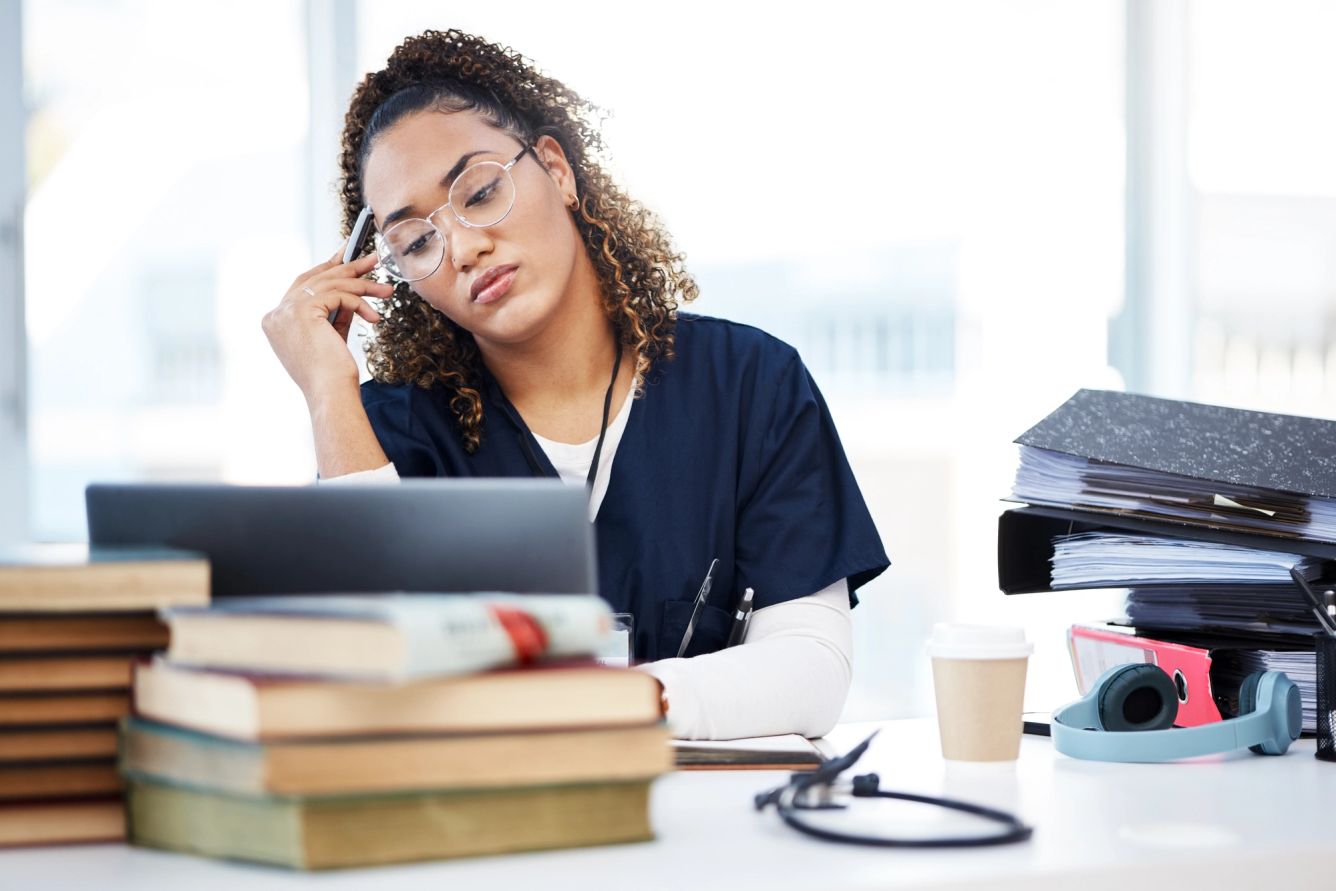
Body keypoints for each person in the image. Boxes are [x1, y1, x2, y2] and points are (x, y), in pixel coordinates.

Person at [262, 29, 889, 740]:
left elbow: (809, 668)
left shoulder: (750, 386)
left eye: (481, 190)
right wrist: (324, 387)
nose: (463, 247)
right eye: (415, 243)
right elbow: (365, 680)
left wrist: (615, 701)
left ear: (556, 170)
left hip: (711, 837)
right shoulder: (389, 430)